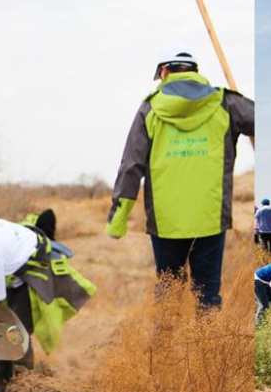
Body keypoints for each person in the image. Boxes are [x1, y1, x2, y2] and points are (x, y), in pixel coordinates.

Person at [108, 46, 256, 309]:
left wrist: (119, 217)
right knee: (207, 293)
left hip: (166, 220)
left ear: (164, 72)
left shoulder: (150, 108)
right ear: (196, 73)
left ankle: (167, 349)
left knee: (169, 289)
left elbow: (132, 164)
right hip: (209, 217)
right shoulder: (226, 102)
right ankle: (208, 348)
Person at [0, 211, 95, 392]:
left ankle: (24, 386)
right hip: (12, 268)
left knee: (15, 332)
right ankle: (0, 391)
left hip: (32, 266)